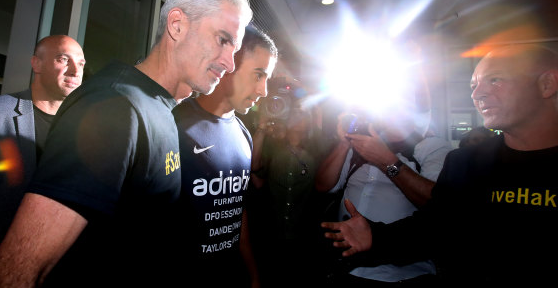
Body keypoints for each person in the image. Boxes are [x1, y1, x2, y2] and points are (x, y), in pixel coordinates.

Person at [0, 0, 252, 288]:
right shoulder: (115, 107)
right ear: (177, 25)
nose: (230, 64)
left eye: (236, 49)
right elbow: (14, 274)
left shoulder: (160, 108)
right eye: (223, 40)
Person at [321, 43, 558, 285]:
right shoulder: (466, 163)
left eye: (495, 80)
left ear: (547, 84)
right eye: (474, 86)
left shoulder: (432, 148)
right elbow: (435, 228)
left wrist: (387, 162)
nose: (477, 95)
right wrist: (375, 236)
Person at [0, 35, 85, 285]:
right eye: (63, 59)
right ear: (36, 63)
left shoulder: (83, 131)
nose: (75, 70)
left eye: (81, 63)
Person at [172, 25, 277, 287]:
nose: (264, 90)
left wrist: (252, 274)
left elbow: (237, 212)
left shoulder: (244, 135)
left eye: (267, 79)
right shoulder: (173, 122)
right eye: (258, 75)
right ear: (230, 63)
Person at [315, 106, 452, 286]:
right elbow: (322, 186)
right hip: (346, 268)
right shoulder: (360, 144)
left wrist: (386, 161)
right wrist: (344, 143)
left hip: (402, 275)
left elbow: (437, 204)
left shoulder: (431, 146)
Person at [249, 100, 327, 287]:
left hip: (305, 238)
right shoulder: (273, 146)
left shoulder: (318, 149)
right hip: (271, 236)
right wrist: (261, 128)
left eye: (303, 113)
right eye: (294, 112)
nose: (298, 116)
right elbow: (254, 166)